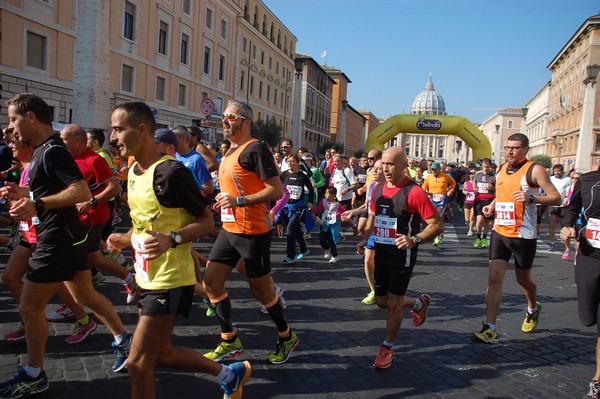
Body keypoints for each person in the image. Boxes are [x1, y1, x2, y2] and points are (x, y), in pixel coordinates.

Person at [106, 101, 250, 399]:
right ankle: (229, 374)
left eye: (118, 129)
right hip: (147, 278)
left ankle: (229, 373)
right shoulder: (133, 170)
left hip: (171, 280)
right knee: (163, 354)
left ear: (142, 130)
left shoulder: (171, 173)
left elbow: (206, 220)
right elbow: (147, 222)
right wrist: (124, 237)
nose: (112, 137)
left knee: (138, 363)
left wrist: (171, 239)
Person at [0, 94, 133, 399]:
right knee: (84, 293)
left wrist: (36, 202)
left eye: (13, 119)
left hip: (57, 238)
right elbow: (52, 189)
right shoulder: (46, 151)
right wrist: (23, 191)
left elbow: (79, 190)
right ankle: (122, 337)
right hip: (69, 235)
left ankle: (34, 374)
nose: (11, 127)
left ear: (31, 117)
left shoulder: (52, 151)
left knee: (29, 307)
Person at [203, 100, 299, 365]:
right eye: (223, 116)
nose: (225, 120)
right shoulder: (230, 152)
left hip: (252, 232)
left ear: (246, 122)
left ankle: (286, 335)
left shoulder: (255, 149)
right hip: (229, 229)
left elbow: (276, 191)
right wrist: (224, 199)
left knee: (262, 292)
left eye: (230, 117)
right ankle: (229, 339)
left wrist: (239, 201)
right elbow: (236, 187)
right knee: (211, 282)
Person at [357, 147, 444, 369]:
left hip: (401, 253)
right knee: (381, 302)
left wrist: (414, 239)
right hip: (381, 250)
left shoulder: (414, 192)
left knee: (394, 302)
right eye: (383, 164)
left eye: (391, 164)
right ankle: (418, 302)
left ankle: (387, 347)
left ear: (404, 166)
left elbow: (437, 224)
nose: (386, 168)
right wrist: (365, 239)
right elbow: (375, 217)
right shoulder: (377, 188)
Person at [471, 133, 562, 345]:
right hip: (501, 232)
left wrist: (532, 198)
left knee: (523, 280)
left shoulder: (534, 169)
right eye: (507, 147)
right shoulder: (502, 168)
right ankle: (490, 328)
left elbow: (557, 198)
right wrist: (492, 206)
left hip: (523, 235)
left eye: (515, 148)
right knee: (494, 278)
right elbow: (503, 193)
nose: (510, 151)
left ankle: (532, 308)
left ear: (526, 150)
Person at [559, 167, 600, 398]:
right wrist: (567, 225)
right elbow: (571, 208)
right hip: (590, 254)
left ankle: (597, 380)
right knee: (587, 319)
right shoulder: (588, 179)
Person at [421, 161, 455, 247]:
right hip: (432, 200)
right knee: (432, 218)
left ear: (439, 169)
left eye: (435, 169)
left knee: (438, 217)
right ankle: (438, 232)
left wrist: (450, 190)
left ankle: (437, 236)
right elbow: (423, 187)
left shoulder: (445, 176)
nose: (433, 171)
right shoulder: (428, 177)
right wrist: (426, 192)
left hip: (442, 200)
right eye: (432, 169)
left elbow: (453, 183)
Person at [312, 186, 346, 264]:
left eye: (328, 193)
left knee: (332, 240)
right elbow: (318, 209)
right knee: (321, 238)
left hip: (333, 224)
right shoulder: (323, 202)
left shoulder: (337, 204)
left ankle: (335, 256)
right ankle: (327, 249)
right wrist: (312, 209)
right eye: (325, 193)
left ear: (333, 195)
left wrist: (337, 215)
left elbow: (343, 211)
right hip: (325, 224)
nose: (326, 194)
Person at [473, 159, 496, 248]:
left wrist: (493, 187)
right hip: (479, 199)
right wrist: (475, 189)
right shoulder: (478, 174)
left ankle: (485, 238)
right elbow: (474, 181)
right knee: (479, 221)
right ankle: (478, 237)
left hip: (489, 200)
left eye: (487, 167)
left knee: (487, 221)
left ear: (490, 166)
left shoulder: (494, 175)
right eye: (484, 167)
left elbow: (498, 185)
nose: (485, 169)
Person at [548, 163, 572, 251]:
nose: (557, 172)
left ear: (562, 171)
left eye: (558, 171)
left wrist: (566, 198)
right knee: (552, 224)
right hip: (553, 204)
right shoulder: (550, 179)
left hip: (563, 205)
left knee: (563, 226)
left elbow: (570, 191)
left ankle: (566, 246)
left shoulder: (567, 179)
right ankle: (552, 243)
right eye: (555, 171)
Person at [561, 171, 581, 260]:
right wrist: (564, 201)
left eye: (577, 178)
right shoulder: (568, 188)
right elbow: (565, 197)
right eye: (573, 178)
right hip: (568, 212)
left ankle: (577, 253)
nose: (574, 180)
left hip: (578, 214)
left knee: (577, 236)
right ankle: (568, 248)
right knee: (566, 233)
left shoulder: (582, 188)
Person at [462, 170, 476, 236]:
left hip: (474, 202)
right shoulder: (466, 182)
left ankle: (470, 230)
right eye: (471, 174)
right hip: (467, 202)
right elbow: (463, 190)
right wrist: (465, 192)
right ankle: (471, 225)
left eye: (473, 174)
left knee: (472, 217)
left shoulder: (477, 183)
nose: (472, 175)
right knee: (467, 219)